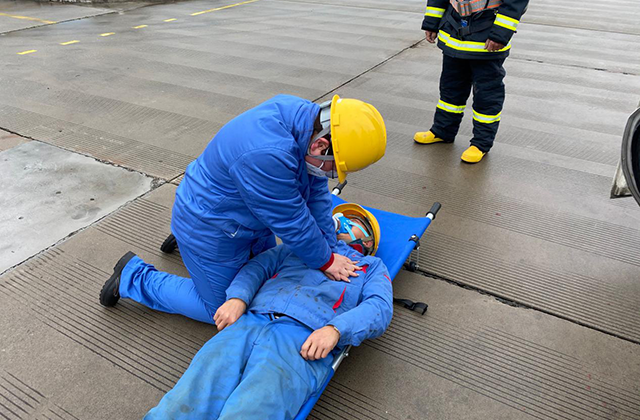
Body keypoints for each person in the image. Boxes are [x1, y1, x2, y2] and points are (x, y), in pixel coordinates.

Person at [99, 94, 387, 324]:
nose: (330, 174)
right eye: (333, 169)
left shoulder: (304, 120)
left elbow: (316, 194)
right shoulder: (266, 154)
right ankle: (135, 277)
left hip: (239, 216)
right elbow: (292, 220)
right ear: (321, 145)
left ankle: (194, 254)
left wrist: (330, 246)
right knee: (224, 308)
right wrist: (326, 261)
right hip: (210, 227)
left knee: (264, 280)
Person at [143, 203, 392, 420]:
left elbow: (379, 306)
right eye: (339, 218)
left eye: (353, 222)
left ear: (367, 242)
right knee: (189, 396)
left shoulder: (370, 267)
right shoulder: (298, 248)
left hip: (302, 341)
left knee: (253, 408)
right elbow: (259, 266)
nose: (341, 222)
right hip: (251, 319)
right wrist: (238, 297)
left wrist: (336, 329)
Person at [414, 0, 529, 163]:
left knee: (486, 96)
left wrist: (499, 35)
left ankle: (481, 144)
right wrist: (431, 23)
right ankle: (442, 131)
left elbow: (514, 3)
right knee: (450, 90)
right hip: (454, 35)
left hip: (486, 41)